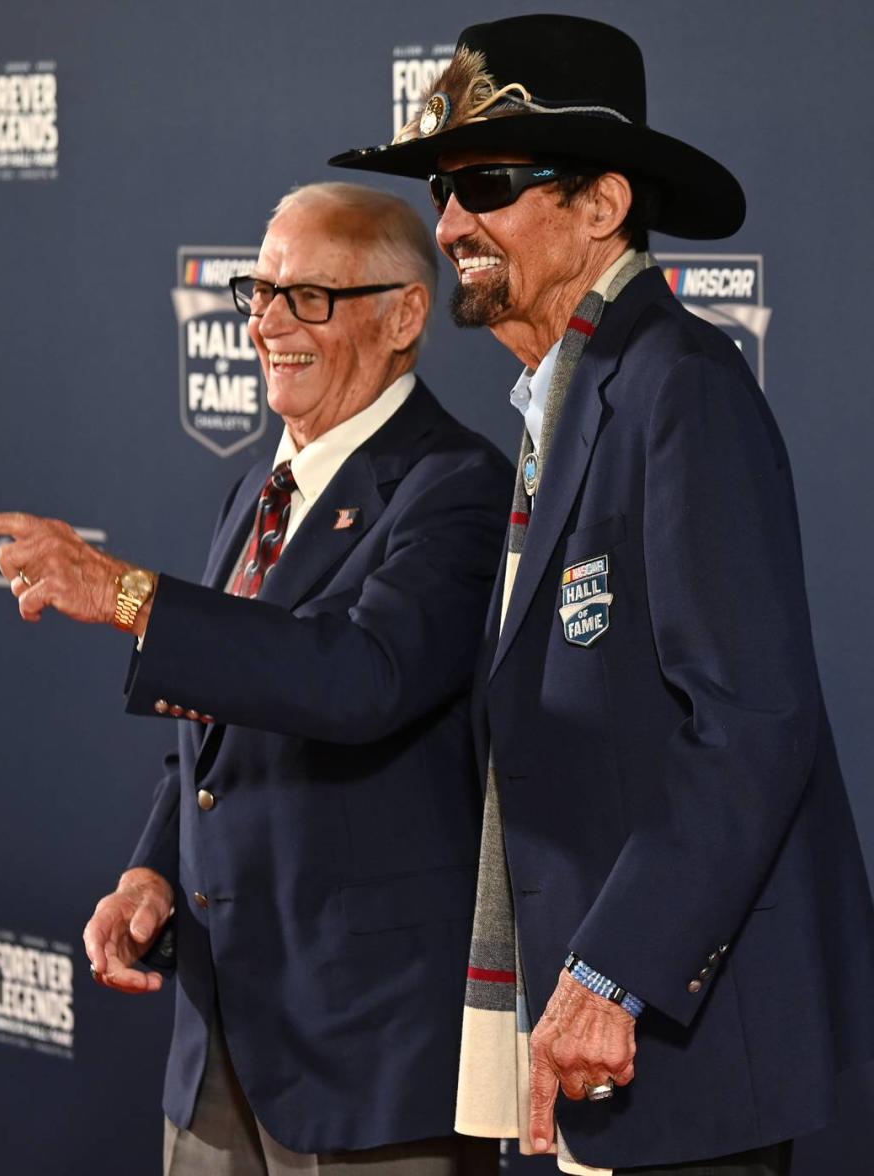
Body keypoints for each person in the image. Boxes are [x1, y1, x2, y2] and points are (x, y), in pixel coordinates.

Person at [329, 14, 874, 1176]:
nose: (449, 225)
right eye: (442, 190)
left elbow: (752, 722)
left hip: (676, 1034)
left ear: (601, 204)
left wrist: (614, 969)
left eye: (486, 183)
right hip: (600, 1030)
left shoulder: (677, 387)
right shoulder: (567, 395)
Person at [0, 181, 510, 1175]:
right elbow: (219, 727)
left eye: (308, 296)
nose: (265, 323)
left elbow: (358, 678)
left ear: (403, 314)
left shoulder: (459, 486)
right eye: (258, 292)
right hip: (219, 1035)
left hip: (368, 1055)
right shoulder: (259, 490)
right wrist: (151, 870)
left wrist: (126, 593)